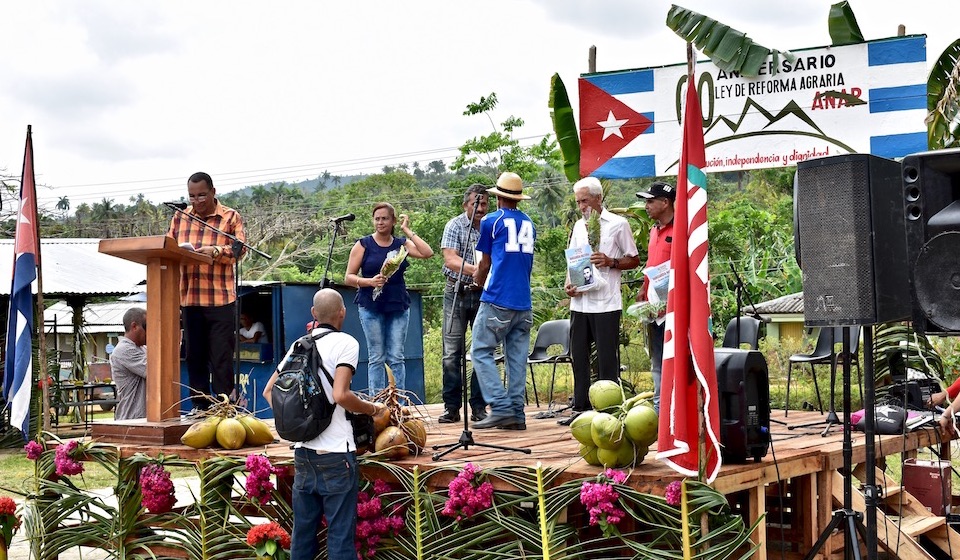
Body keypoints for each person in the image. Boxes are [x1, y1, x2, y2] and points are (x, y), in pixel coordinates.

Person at [262, 288, 385, 560]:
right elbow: (341, 395)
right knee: (340, 539)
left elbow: (269, 392)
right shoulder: (347, 343)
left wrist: (299, 424)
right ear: (343, 312)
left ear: (314, 314)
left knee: (302, 538)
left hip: (303, 455)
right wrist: (373, 408)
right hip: (337, 456)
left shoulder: (299, 345)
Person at [561, 176, 640, 425]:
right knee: (578, 355)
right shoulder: (578, 226)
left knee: (607, 357)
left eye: (585, 200)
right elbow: (573, 259)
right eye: (578, 202)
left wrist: (610, 261)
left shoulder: (618, 224)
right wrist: (568, 283)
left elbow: (634, 258)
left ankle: (611, 408)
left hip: (606, 302)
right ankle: (581, 406)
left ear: (598, 198)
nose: (581, 206)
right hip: (580, 303)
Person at [167, 171, 246, 411]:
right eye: (192, 196)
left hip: (221, 299)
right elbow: (168, 246)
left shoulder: (230, 217)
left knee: (221, 358)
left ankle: (224, 409)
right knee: (194, 357)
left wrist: (215, 252)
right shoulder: (180, 218)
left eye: (202, 195)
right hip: (190, 298)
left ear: (213, 191)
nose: (197, 201)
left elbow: (240, 250)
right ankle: (199, 409)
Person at [345, 203, 433, 394]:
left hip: (397, 305)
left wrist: (407, 230)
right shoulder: (363, 244)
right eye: (377, 218)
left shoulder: (401, 244)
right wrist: (369, 281)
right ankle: (377, 404)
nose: (380, 222)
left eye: (385, 218)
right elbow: (349, 277)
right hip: (370, 306)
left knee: (396, 356)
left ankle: (398, 402)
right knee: (377, 356)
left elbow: (427, 253)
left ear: (393, 220)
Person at [470, 172, 535, 430]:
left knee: (481, 350)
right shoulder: (529, 223)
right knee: (516, 358)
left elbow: (484, 263)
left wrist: (477, 280)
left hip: (498, 297)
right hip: (523, 300)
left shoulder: (490, 221)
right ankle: (517, 414)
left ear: (498, 198)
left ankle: (500, 405)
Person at [438, 184, 489, 424]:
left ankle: (479, 407)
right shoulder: (454, 225)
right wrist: (478, 270)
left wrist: (484, 275)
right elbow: (450, 259)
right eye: (475, 204)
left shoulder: (491, 226)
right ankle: (451, 408)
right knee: (451, 353)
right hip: (456, 292)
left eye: (484, 204)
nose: (480, 208)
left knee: (482, 350)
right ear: (465, 205)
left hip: (483, 294)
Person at [635, 181, 676, 414]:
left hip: (674, 310)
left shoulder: (681, 230)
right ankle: (660, 410)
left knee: (674, 361)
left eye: (650, 201)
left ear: (665, 202)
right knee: (657, 361)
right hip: (654, 309)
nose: (646, 206)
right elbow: (652, 264)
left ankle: (672, 409)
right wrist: (644, 288)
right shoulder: (654, 231)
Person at [110, 307, 148, 420]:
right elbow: (156, 372)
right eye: (147, 326)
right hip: (132, 419)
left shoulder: (142, 348)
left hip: (140, 419)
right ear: (134, 326)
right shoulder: (124, 350)